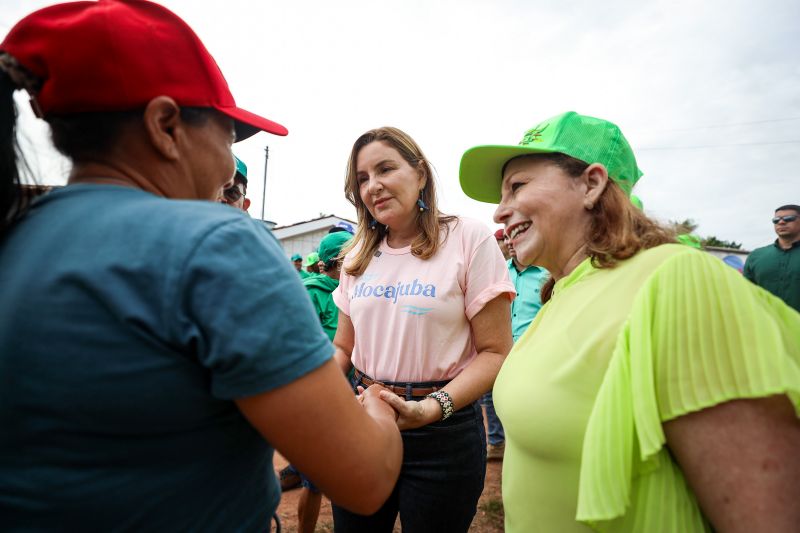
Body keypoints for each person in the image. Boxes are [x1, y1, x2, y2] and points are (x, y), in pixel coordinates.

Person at [0, 1, 402, 530]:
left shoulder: (18, 235)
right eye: (227, 137)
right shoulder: (215, 246)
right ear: (165, 125)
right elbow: (363, 479)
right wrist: (378, 413)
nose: (224, 165)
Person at [459, 111, 800, 532]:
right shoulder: (562, 292)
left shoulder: (677, 281)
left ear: (592, 183)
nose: (500, 211)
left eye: (517, 186)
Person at [331, 126, 515, 533]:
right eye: (362, 178)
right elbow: (343, 346)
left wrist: (432, 408)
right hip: (364, 422)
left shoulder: (468, 238)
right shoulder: (357, 255)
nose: (373, 186)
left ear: (420, 174)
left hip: (443, 436)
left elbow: (496, 351)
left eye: (385, 169)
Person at [293, 231, 354, 533]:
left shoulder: (357, 288)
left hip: (355, 388)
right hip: (321, 392)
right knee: (315, 480)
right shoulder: (311, 292)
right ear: (337, 262)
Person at [484, 230, 548, 461]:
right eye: (506, 238)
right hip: (500, 349)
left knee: (529, 400)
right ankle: (497, 443)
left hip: (532, 353)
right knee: (490, 397)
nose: (510, 243)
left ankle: (528, 444)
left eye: (514, 237)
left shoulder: (546, 275)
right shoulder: (499, 271)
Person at [744, 204, 800, 312]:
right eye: (776, 220)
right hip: (766, 326)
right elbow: (747, 294)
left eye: (789, 218)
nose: (781, 222)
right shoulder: (756, 256)